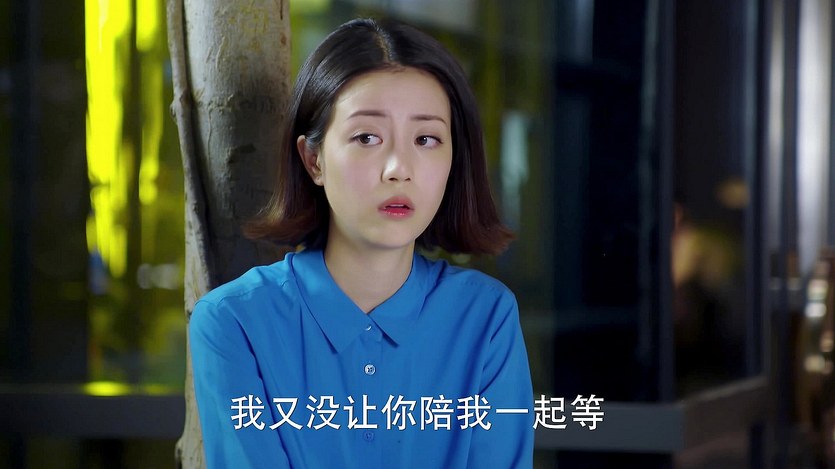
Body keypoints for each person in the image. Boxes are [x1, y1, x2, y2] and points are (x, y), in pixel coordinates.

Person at [189, 17, 534, 468]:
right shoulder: (234, 322)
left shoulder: (486, 317)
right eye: (367, 137)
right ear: (313, 160)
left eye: (426, 138)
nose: (398, 168)